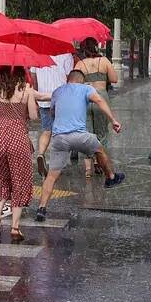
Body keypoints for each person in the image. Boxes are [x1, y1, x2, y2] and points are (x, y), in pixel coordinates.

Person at [35, 70, 126, 221]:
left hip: (59, 139)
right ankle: (110, 177)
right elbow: (100, 101)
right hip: (80, 136)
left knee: (51, 176)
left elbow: (52, 112)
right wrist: (113, 120)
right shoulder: (86, 89)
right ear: (82, 81)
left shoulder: (58, 91)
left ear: (67, 79)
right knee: (99, 149)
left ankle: (42, 208)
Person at [0, 66, 46, 242]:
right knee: (20, 181)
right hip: (17, 140)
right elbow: (34, 116)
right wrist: (28, 108)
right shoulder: (25, 89)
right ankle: (15, 227)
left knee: (0, 178)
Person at [75, 37, 119, 179]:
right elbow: (114, 79)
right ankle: (100, 164)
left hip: (85, 99)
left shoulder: (80, 64)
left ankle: (88, 169)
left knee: (87, 133)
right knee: (102, 133)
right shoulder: (104, 61)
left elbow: (73, 84)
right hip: (101, 99)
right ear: (96, 47)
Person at [32, 52, 73, 178]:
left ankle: (41, 154)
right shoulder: (66, 55)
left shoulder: (36, 53)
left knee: (46, 130)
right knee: (61, 132)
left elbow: (33, 77)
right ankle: (57, 163)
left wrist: (36, 95)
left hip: (43, 98)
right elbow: (69, 77)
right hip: (62, 98)